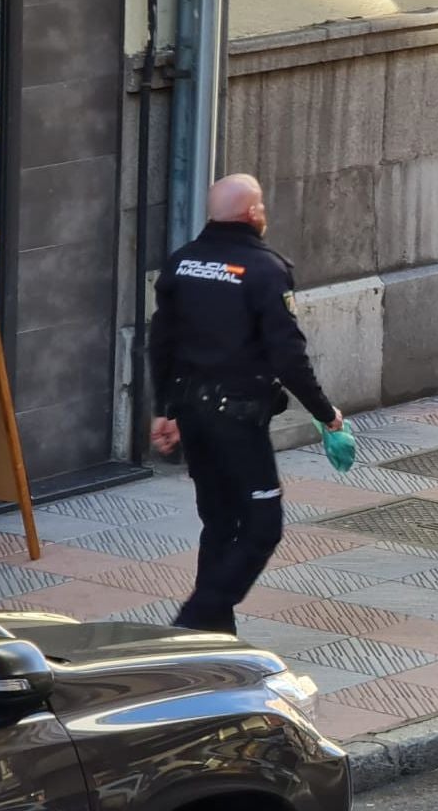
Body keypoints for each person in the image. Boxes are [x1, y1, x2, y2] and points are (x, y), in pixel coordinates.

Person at [148, 174, 343, 633]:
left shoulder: (182, 263)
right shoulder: (265, 270)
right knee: (261, 527)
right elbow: (288, 356)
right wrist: (325, 413)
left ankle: (213, 635)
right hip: (237, 418)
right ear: (253, 214)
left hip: (193, 413)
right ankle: (192, 625)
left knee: (219, 523)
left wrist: (166, 408)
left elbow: (161, 343)